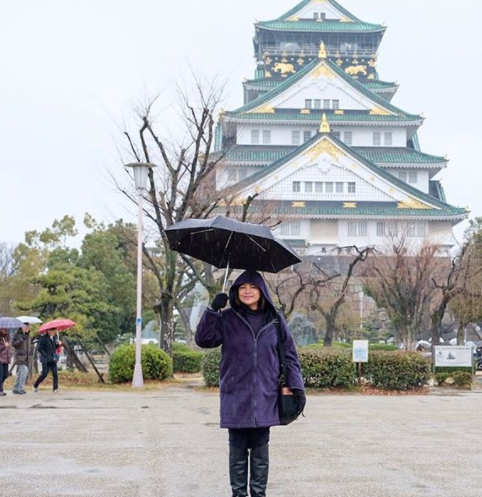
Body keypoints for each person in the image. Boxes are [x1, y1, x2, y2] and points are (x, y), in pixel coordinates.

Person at [196, 270, 306, 497]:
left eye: (253, 287)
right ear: (236, 291)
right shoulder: (227, 318)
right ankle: (238, 494)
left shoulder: (275, 320)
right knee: (237, 452)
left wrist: (296, 388)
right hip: (235, 395)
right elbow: (204, 340)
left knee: (260, 453)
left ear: (261, 291)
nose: (247, 291)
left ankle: (258, 494)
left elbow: (290, 355)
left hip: (266, 395)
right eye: (243, 287)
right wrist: (212, 310)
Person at [33, 329, 60, 393]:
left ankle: (55, 388)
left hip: (53, 359)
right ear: (49, 331)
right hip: (45, 359)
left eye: (55, 331)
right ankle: (35, 385)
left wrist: (58, 344)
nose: (55, 332)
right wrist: (45, 355)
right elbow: (39, 349)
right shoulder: (43, 338)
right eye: (54, 331)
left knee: (55, 373)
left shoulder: (55, 338)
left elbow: (54, 348)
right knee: (44, 374)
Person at [12, 324, 33, 394]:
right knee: (24, 371)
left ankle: (16, 388)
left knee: (20, 373)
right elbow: (13, 344)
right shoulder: (17, 335)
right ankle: (20, 388)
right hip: (20, 356)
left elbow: (29, 346)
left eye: (28, 326)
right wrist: (21, 339)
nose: (28, 328)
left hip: (26, 357)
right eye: (26, 326)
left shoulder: (28, 336)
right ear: (21, 327)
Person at [0, 329, 12, 396]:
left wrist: (10, 355)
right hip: (0, 359)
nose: (4, 329)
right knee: (1, 375)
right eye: (2, 328)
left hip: (6, 359)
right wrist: (4, 346)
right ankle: (0, 390)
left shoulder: (7, 336)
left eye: (5, 328)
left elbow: (9, 349)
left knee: (5, 375)